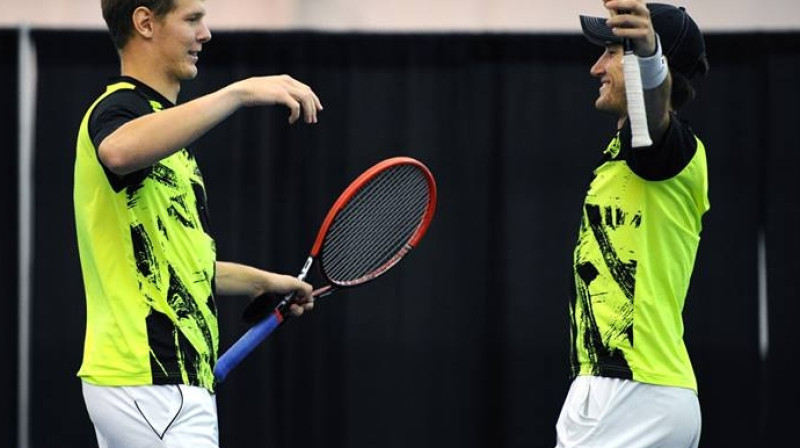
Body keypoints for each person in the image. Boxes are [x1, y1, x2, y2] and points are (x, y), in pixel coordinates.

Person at [73, 0, 323, 446]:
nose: (205, 34)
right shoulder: (117, 112)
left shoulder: (171, 148)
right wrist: (239, 93)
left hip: (164, 383)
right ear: (145, 22)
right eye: (192, 19)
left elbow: (178, 267)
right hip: (150, 378)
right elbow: (117, 150)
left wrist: (265, 281)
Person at [555, 1, 710, 447]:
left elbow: (655, 115)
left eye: (610, 52)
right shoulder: (620, 159)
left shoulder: (670, 149)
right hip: (622, 389)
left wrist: (647, 54)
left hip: (632, 392)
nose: (595, 67)